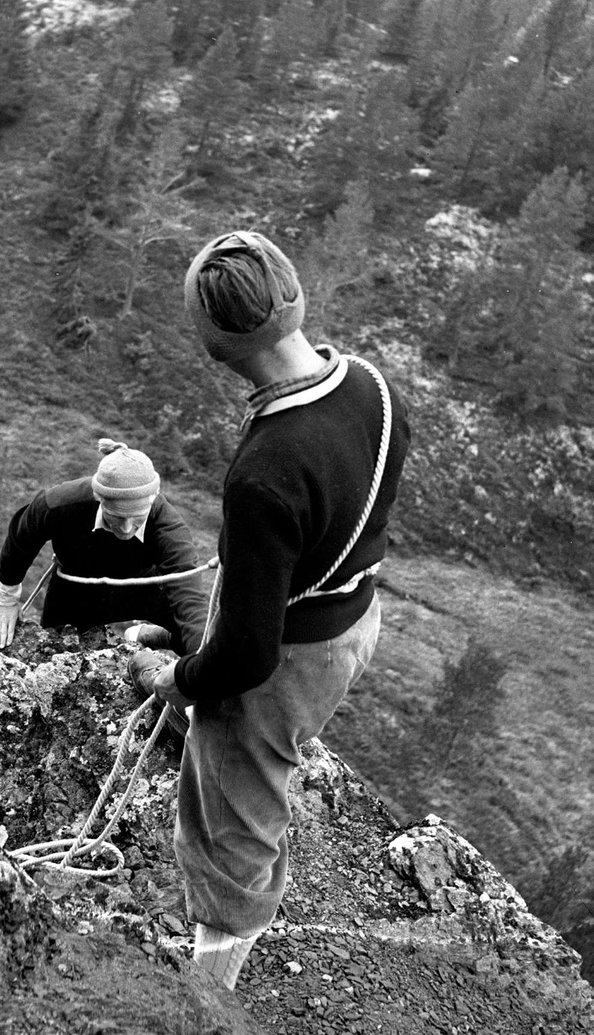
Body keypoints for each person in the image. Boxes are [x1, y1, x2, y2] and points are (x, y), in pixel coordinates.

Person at [140, 231, 411, 990]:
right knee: (258, 770)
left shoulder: (264, 472)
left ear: (213, 344)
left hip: (290, 659)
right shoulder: (371, 385)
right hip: (353, 616)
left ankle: (208, 989)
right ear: (293, 297)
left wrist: (182, 680)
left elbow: (249, 658)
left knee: (233, 821)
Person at [0, 439, 209, 656]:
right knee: (54, 652)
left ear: (152, 499)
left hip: (145, 588)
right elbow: (23, 535)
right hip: (75, 590)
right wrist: (6, 597)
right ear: (99, 497)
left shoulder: (169, 529)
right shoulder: (62, 503)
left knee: (200, 635)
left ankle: (155, 636)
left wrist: (203, 671)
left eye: (137, 518)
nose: (126, 528)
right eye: (117, 516)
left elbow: (191, 602)